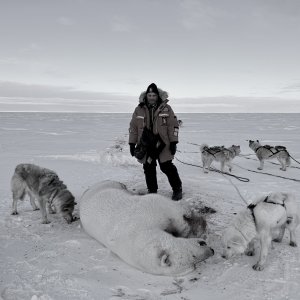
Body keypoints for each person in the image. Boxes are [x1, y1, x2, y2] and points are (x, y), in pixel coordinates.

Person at [128, 83, 182, 200]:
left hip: (163, 144)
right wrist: (132, 143)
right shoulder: (139, 109)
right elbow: (133, 127)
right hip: (146, 144)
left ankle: (177, 189)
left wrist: (173, 142)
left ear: (158, 96)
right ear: (146, 96)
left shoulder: (166, 108)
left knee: (166, 166)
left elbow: (174, 126)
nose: (151, 97)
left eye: (154, 95)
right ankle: (152, 192)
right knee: (148, 167)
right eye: (149, 95)